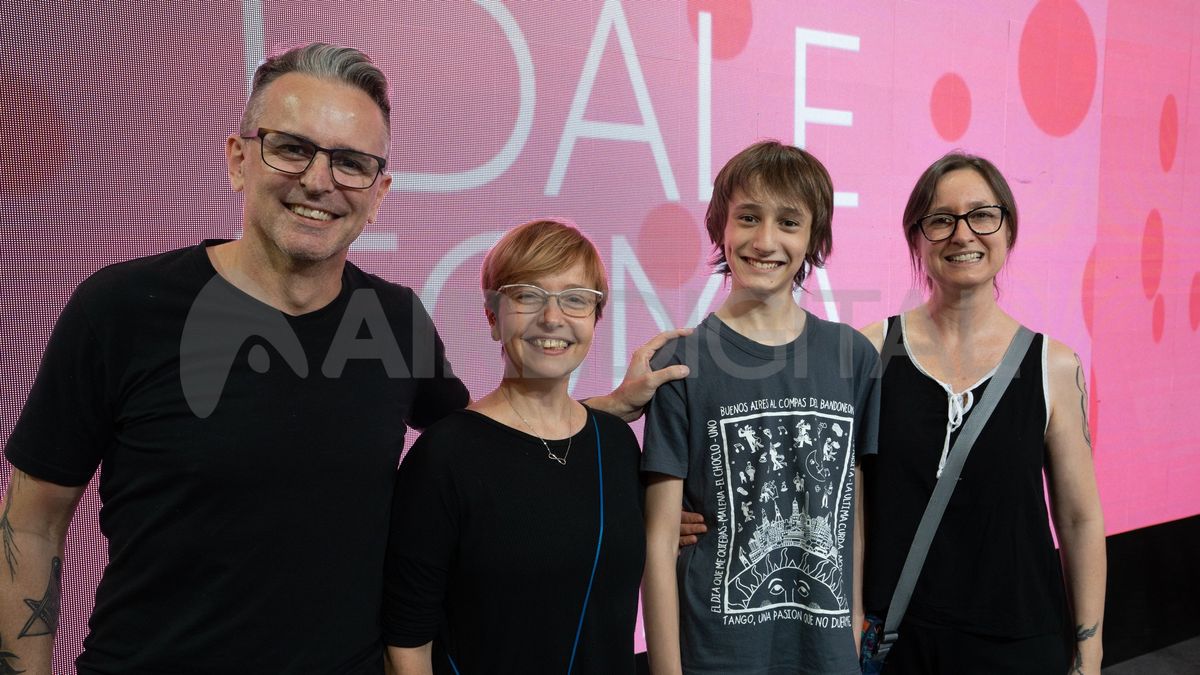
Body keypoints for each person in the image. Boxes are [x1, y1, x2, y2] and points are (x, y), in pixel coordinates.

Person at [0, 43, 685, 674]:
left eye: (351, 161)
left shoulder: (392, 320)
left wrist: (605, 431)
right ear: (239, 157)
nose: (319, 180)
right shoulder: (121, 308)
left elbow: (488, 447)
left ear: (378, 193)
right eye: (291, 148)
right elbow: (30, 522)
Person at [860, 152, 1106, 674]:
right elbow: (836, 498)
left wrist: (1090, 647)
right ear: (917, 239)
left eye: (982, 214)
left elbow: (1080, 519)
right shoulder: (872, 353)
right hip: (900, 641)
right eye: (941, 219)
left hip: (1018, 638)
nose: (963, 234)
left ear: (1007, 229)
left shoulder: (1054, 365)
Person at [641, 141, 880, 675]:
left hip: (827, 654)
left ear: (815, 238)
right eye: (748, 217)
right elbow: (658, 544)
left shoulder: (853, 356)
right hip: (715, 655)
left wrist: (853, 622)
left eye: (789, 222)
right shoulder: (681, 361)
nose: (765, 240)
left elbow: (852, 509)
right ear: (719, 228)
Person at [383, 219, 644, 675]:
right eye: (528, 295)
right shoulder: (444, 456)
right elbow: (407, 644)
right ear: (492, 317)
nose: (552, 317)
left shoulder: (616, 444)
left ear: (595, 320)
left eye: (576, 300)